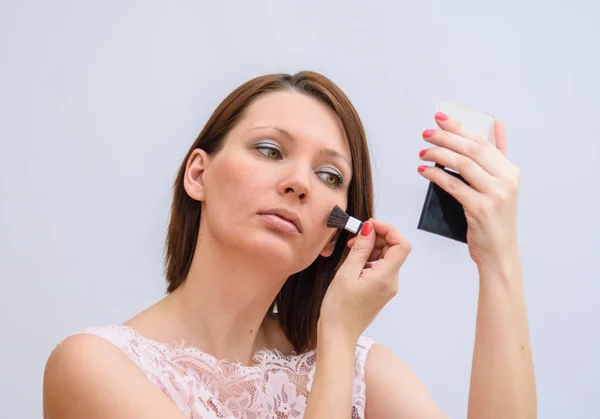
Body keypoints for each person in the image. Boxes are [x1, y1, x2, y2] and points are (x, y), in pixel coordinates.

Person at [42, 71, 536, 419]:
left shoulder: (365, 372)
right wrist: (337, 338)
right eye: (269, 150)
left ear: (333, 236)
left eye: (329, 175)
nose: (299, 183)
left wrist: (497, 258)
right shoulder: (95, 367)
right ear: (199, 174)